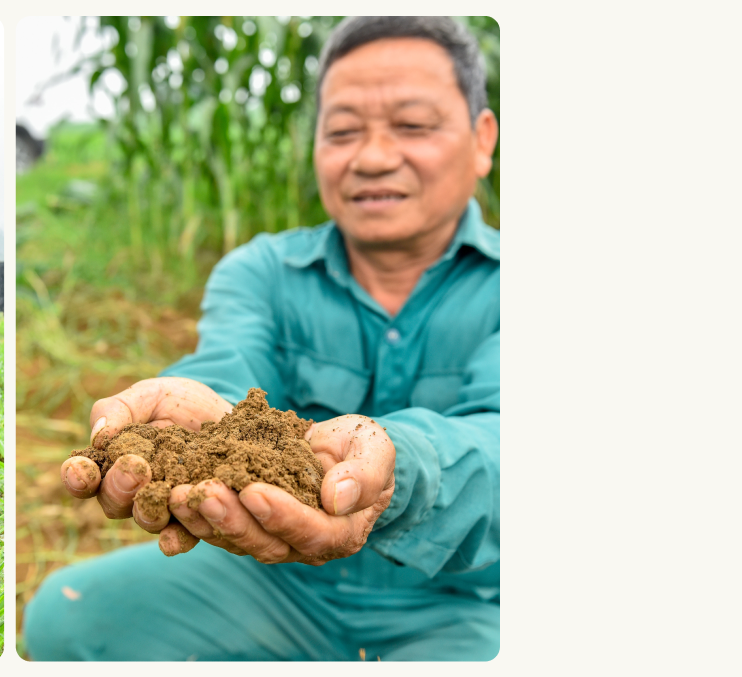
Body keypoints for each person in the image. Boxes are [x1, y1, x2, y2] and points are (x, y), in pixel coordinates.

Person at [24, 16, 501, 661]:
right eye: (342, 132)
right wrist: (190, 432)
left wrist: (398, 469)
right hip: (275, 583)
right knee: (66, 619)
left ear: (481, 140)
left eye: (413, 126)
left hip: (459, 603)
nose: (373, 156)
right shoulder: (262, 272)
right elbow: (222, 378)